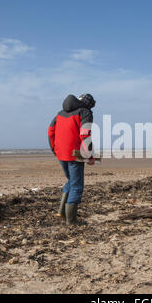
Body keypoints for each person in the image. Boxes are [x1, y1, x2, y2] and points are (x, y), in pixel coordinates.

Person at [48, 94, 96, 225]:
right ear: (89, 104)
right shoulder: (85, 112)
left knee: (71, 180)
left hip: (61, 153)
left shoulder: (60, 113)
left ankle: (62, 212)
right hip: (75, 154)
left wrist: (55, 150)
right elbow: (85, 134)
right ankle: (72, 220)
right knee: (76, 186)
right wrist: (90, 156)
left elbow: (51, 131)